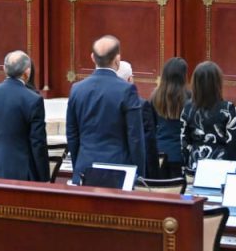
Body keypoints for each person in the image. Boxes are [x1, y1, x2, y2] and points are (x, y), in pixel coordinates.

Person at [65, 35, 146, 183]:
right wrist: (139, 173)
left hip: (84, 166)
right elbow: (135, 137)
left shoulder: (76, 89)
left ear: (92, 57)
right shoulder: (127, 90)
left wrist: (78, 164)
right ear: (117, 59)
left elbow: (72, 134)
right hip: (118, 170)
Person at [0, 50, 48, 181]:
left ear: (4, 69)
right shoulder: (33, 100)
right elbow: (38, 143)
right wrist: (44, 177)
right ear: (27, 72)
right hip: (21, 172)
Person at [180, 61, 236, 172]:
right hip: (221, 163)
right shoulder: (227, 108)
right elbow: (233, 143)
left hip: (195, 162)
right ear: (217, 83)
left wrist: (184, 167)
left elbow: (184, 141)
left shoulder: (187, 108)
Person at [116, 60, 159, 179]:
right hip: (133, 167)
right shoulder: (142, 105)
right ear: (130, 79)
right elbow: (148, 142)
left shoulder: (105, 102)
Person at [149, 57, 190, 179]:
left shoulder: (155, 96)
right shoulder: (189, 97)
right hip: (181, 152)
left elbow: (151, 126)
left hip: (160, 151)